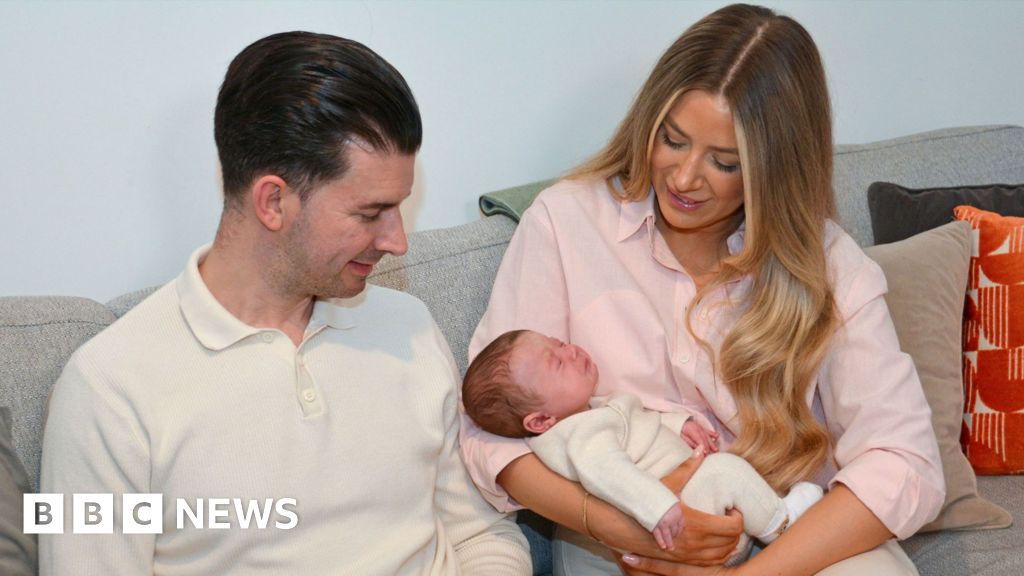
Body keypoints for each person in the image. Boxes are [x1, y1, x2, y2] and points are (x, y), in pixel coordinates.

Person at [459, 4, 944, 575]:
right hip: (623, 536)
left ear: (775, 170)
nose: (685, 179)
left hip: (786, 530)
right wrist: (614, 523)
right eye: (672, 139)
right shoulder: (566, 223)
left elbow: (903, 462)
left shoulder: (830, 266)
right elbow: (490, 434)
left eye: (725, 162)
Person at [40, 32, 530, 575]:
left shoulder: (407, 324)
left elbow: (480, 533)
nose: (397, 241)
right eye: (370, 214)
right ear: (273, 201)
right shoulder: (109, 390)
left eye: (399, 208)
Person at [462, 329, 824, 558]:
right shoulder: (581, 436)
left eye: (560, 343)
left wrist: (678, 424)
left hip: (692, 513)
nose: (570, 351)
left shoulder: (588, 412)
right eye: (556, 363)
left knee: (724, 473)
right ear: (541, 421)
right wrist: (658, 508)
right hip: (681, 525)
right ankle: (782, 523)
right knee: (724, 471)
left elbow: (637, 422)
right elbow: (607, 472)